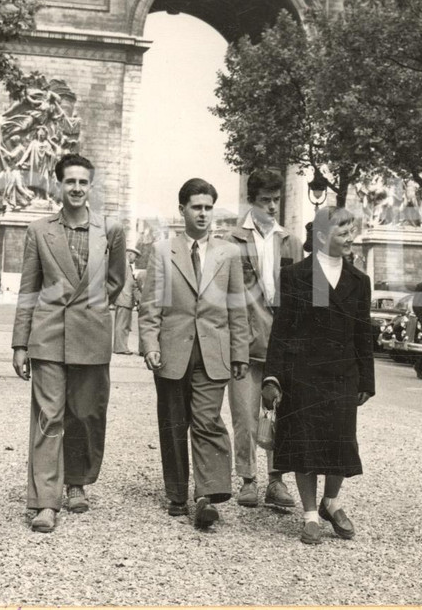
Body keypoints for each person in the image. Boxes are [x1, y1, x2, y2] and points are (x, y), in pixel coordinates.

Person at [12, 153, 126, 532]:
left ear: (91, 185)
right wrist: (20, 343)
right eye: (69, 182)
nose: (76, 188)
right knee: (49, 417)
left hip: (91, 334)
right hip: (48, 335)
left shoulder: (109, 230)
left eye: (83, 182)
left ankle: (76, 482)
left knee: (86, 414)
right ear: (58, 184)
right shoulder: (39, 231)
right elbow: (28, 289)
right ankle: (45, 502)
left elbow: (116, 280)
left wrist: (90, 305)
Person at [261, 206, 375, 545]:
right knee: (306, 444)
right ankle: (310, 514)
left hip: (343, 375)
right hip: (303, 374)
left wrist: (367, 380)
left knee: (340, 442)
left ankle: (331, 502)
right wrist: (272, 376)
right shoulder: (297, 275)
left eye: (351, 231)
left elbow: (362, 333)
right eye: (343, 232)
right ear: (323, 236)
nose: (350, 238)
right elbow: (282, 329)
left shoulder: (359, 280)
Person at [139, 178, 249, 529]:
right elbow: (150, 304)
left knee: (207, 421)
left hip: (213, 351)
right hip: (172, 350)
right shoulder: (162, 251)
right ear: (182, 209)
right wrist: (150, 345)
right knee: (173, 424)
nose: (203, 214)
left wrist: (239, 353)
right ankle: (176, 493)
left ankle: (208, 495)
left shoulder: (228, 252)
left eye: (207, 207)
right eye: (196, 207)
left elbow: (238, 308)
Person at [225, 169, 303, 509]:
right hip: (244, 339)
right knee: (244, 414)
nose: (272, 207)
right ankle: (246, 479)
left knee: (279, 411)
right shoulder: (231, 241)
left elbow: (303, 297)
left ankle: (276, 480)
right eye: (265, 201)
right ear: (250, 202)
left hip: (281, 343)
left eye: (276, 201)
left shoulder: (291, 242)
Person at [113, 247, 141, 354]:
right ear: (130, 254)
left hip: (124, 299)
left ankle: (120, 346)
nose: (136, 259)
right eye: (135, 256)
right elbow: (125, 284)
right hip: (124, 299)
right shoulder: (124, 265)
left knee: (123, 324)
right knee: (122, 325)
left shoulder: (125, 265)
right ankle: (120, 348)